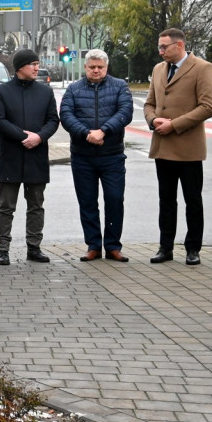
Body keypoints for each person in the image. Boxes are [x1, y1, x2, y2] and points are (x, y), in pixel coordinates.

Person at [143, 27, 212, 265]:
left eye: (164, 47)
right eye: (159, 47)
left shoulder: (202, 68)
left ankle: (193, 248)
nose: (160, 51)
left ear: (179, 45)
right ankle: (165, 248)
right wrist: (153, 120)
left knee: (192, 201)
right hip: (162, 146)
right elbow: (149, 103)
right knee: (166, 201)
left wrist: (174, 125)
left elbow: (207, 107)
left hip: (188, 148)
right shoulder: (158, 69)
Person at [59, 48, 134, 262]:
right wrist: (87, 134)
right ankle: (93, 245)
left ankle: (113, 246)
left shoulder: (119, 86)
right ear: (85, 67)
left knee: (114, 199)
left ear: (106, 67)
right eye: (92, 67)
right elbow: (66, 115)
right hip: (83, 156)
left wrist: (104, 131)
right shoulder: (73, 89)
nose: (96, 70)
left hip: (112, 156)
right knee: (87, 202)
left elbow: (125, 112)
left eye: (100, 67)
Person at [0, 48, 60, 266]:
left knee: (36, 205)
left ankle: (34, 247)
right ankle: (3, 249)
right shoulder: (1, 91)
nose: (37, 68)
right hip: (10, 156)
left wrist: (39, 137)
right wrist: (23, 136)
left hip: (36, 156)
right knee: (6, 206)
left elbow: (53, 120)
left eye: (38, 64)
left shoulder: (45, 92)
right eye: (33, 64)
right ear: (20, 67)